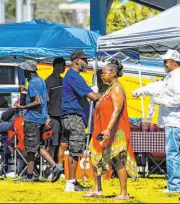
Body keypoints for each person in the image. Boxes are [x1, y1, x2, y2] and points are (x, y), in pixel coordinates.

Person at [132, 49, 180, 194]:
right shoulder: (171, 77)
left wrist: (161, 101)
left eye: (166, 61)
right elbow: (157, 86)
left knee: (172, 154)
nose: (163, 63)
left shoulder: (176, 78)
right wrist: (141, 90)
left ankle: (174, 186)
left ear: (175, 62)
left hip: (175, 122)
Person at [86, 59, 138, 200]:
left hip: (115, 131)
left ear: (113, 73)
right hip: (102, 129)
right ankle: (97, 189)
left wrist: (108, 129)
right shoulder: (109, 88)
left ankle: (124, 193)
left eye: (104, 73)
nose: (102, 76)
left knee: (118, 159)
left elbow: (117, 110)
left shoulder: (117, 88)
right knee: (95, 155)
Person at [14, 60, 63, 183]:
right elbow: (45, 98)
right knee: (33, 147)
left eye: (24, 70)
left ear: (28, 71)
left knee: (33, 146)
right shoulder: (41, 80)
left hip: (33, 118)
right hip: (40, 118)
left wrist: (22, 107)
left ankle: (54, 166)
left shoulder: (33, 82)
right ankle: (30, 175)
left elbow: (38, 101)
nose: (24, 72)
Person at [61, 49, 103, 192]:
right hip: (74, 117)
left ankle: (73, 182)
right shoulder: (74, 76)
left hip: (71, 116)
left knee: (75, 149)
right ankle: (71, 183)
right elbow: (93, 96)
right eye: (84, 60)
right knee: (76, 150)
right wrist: (106, 94)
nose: (86, 63)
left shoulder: (72, 75)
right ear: (76, 61)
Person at [44, 57, 67, 179]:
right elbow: (44, 101)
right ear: (56, 66)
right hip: (53, 117)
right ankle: (51, 169)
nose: (64, 68)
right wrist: (46, 118)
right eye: (63, 65)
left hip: (64, 116)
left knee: (63, 144)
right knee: (52, 144)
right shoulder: (48, 81)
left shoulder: (64, 81)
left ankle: (60, 168)